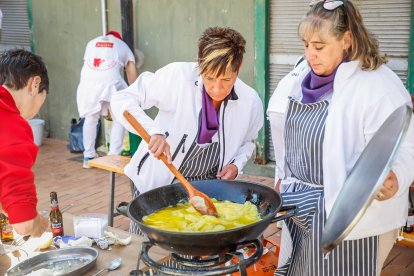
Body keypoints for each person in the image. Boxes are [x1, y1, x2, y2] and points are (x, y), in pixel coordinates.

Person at [267, 1, 414, 275]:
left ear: (346, 39)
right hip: (298, 205)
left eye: (319, 46)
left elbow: (405, 145)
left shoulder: (378, 84)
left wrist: (398, 177)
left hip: (350, 214)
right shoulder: (298, 77)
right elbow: (284, 130)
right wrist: (282, 174)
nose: (310, 54)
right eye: (306, 44)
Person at [112, 26, 264, 234]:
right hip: (157, 182)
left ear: (239, 67)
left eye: (226, 80)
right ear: (200, 65)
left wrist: (237, 165)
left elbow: (249, 140)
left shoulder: (250, 101)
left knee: (197, 248)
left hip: (206, 188)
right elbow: (123, 99)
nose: (217, 89)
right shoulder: (177, 77)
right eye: (210, 78)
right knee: (150, 246)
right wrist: (153, 131)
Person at [0, 49, 50, 237]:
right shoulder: (11, 123)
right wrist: (38, 224)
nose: (32, 115)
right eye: (40, 103)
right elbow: (25, 224)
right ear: (34, 84)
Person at [76, 30, 138, 168]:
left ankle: (88, 157)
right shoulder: (122, 45)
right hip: (111, 81)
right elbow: (130, 69)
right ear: (118, 38)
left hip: (87, 83)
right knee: (120, 116)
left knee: (90, 118)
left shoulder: (91, 43)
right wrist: (136, 92)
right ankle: (113, 156)